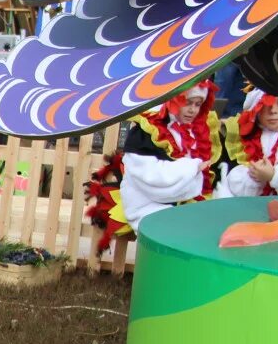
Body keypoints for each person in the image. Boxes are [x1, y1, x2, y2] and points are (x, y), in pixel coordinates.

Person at [85, 81, 220, 250]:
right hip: (146, 205)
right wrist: (190, 169)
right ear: (174, 100)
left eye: (197, 104)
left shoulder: (191, 133)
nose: (192, 110)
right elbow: (149, 178)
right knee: (176, 236)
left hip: (178, 204)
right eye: (188, 103)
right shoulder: (147, 133)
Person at [218, 89, 278, 198]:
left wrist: (274, 176)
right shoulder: (244, 137)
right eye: (266, 105)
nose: (273, 111)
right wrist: (253, 177)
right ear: (256, 110)